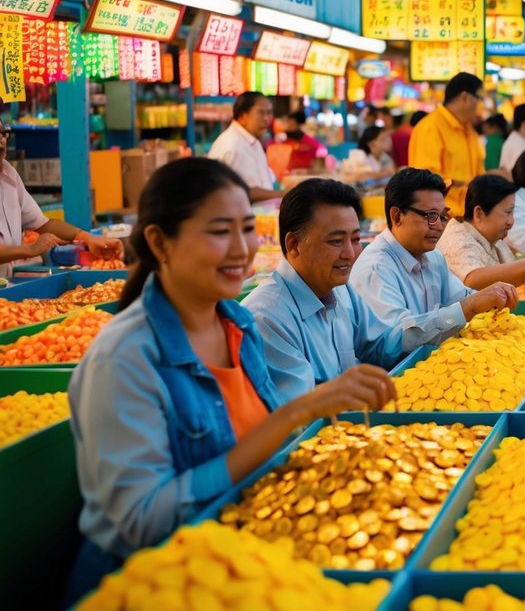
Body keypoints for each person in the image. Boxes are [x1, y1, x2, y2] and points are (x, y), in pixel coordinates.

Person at [65, 159, 395, 600]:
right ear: (160, 243)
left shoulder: (238, 327)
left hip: (235, 558)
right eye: (221, 232)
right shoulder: (124, 359)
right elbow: (143, 521)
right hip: (156, 584)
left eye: (245, 229)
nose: (241, 249)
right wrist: (298, 412)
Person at [241, 179, 407, 403]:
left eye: (356, 239)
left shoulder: (340, 290)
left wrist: (453, 317)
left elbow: (380, 346)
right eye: (336, 241)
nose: (350, 253)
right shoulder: (265, 318)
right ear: (293, 244)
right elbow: (301, 414)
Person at [348, 168, 517, 352]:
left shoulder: (433, 256)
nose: (438, 226)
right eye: (430, 216)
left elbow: (460, 297)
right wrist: (468, 307)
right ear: (396, 216)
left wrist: (485, 298)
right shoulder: (376, 268)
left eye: (442, 216)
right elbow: (394, 343)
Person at [0, 120, 122, 277]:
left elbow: (43, 223)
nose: (1, 139)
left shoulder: (8, 174)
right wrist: (28, 249)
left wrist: (87, 238)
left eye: (2, 133)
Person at [440, 175, 525, 289]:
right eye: (508, 212)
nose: (511, 222)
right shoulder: (457, 238)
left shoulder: (493, 237)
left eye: (513, 212)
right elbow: (471, 280)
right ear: (479, 213)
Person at [409, 72, 486, 217]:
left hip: (470, 218)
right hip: (443, 222)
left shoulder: (470, 132)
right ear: (465, 97)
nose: (481, 105)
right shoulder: (430, 128)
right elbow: (425, 182)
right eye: (479, 98)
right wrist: (458, 183)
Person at [207, 91, 284, 202]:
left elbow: (267, 181)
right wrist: (284, 194)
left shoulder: (252, 141)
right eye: (261, 113)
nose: (267, 118)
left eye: (269, 112)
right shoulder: (234, 144)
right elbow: (247, 191)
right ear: (243, 116)